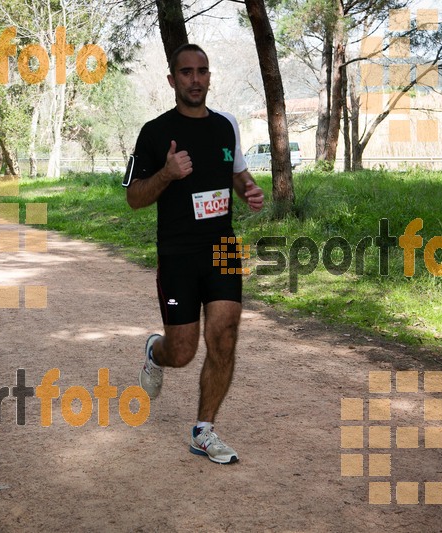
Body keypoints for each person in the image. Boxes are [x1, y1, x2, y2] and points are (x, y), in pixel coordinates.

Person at [125, 44, 264, 465]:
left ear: (209, 76)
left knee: (224, 335)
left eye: (202, 71)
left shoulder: (226, 126)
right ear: (172, 80)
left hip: (221, 247)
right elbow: (134, 197)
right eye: (186, 72)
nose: (195, 79)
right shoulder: (154, 132)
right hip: (178, 253)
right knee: (182, 352)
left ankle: (204, 430)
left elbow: (237, 173)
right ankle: (156, 352)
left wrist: (249, 190)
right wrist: (167, 173)